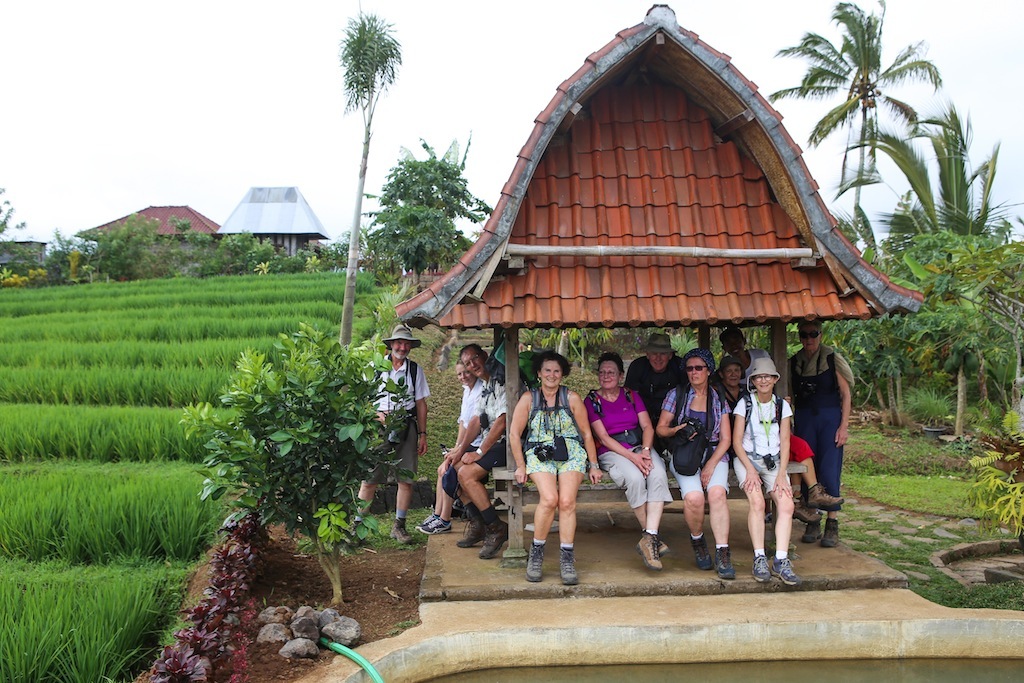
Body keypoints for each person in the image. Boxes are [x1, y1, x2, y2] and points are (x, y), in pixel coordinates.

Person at [510, 351, 601, 585]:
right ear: (539, 373)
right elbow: (514, 434)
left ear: (562, 374)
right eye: (547, 370)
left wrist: (594, 464)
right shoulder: (528, 399)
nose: (552, 375)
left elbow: (587, 433)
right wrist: (521, 465)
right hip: (539, 453)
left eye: (556, 371)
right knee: (550, 499)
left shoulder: (571, 398)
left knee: (567, 501)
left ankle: (567, 557)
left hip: (570, 451)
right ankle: (537, 553)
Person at [718, 355, 842, 524]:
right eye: (728, 371)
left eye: (736, 370)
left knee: (800, 446)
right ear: (721, 374)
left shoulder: (748, 391)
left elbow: (778, 425)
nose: (733, 374)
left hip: (768, 440)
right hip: (742, 442)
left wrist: (783, 404)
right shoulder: (720, 393)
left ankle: (813, 491)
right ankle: (797, 500)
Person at [584, 352, 672, 571]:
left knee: (658, 473)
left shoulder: (631, 395)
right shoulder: (592, 400)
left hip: (639, 447)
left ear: (620, 376)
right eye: (602, 372)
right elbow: (602, 437)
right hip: (611, 450)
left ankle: (649, 537)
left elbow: (647, 427)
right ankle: (652, 539)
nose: (606, 376)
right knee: (634, 477)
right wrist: (633, 457)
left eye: (611, 372)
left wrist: (645, 451)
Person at [656, 348, 735, 579]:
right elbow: (661, 428)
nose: (694, 372)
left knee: (717, 493)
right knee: (694, 498)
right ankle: (698, 539)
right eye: (689, 368)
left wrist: (710, 465)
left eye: (699, 368)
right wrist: (676, 430)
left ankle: (722, 551)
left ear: (709, 370)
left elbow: (727, 438)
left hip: (713, 452)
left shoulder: (718, 396)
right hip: (685, 453)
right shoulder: (677, 394)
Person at [358, 324, 430, 544]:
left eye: (406, 343)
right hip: (378, 428)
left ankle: (399, 526)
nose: (402, 347)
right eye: (398, 342)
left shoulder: (415, 370)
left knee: (406, 478)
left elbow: (421, 403)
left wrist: (423, 433)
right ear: (390, 345)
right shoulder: (374, 367)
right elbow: (362, 400)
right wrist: (376, 415)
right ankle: (358, 525)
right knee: (369, 478)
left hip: (406, 426)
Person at [731, 357, 800, 586]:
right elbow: (737, 442)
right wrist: (750, 470)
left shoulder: (782, 406)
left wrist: (782, 474)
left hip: (774, 463)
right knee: (758, 503)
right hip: (748, 459)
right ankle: (759, 556)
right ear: (753, 380)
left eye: (767, 376)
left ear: (775, 379)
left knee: (787, 504)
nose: (763, 380)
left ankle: (781, 559)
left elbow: (786, 442)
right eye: (759, 377)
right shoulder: (745, 404)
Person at [790, 320, 854, 548]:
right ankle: (813, 519)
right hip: (805, 419)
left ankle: (832, 523)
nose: (809, 339)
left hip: (829, 419)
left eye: (813, 334)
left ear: (820, 334)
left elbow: (846, 394)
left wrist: (843, 426)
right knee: (807, 467)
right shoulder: (794, 362)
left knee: (829, 467)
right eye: (804, 335)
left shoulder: (831, 358)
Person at [443, 344, 510, 559]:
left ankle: (496, 528)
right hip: (492, 443)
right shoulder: (485, 385)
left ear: (484, 356)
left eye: (475, 359)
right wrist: (459, 451)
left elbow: (502, 422)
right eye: (467, 363)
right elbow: (475, 421)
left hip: (508, 444)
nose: (472, 365)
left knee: (466, 474)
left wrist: (479, 452)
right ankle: (479, 522)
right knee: (453, 470)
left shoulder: (503, 382)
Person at [417, 360, 482, 535]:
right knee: (442, 468)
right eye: (459, 374)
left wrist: (460, 449)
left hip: (477, 444)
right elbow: (463, 422)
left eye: (466, 372)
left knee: (447, 470)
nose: (463, 377)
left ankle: (445, 519)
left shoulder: (481, 390)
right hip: (466, 444)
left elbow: (475, 426)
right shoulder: (467, 391)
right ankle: (438, 514)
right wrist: (456, 447)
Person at [624, 332, 684, 437]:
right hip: (642, 421)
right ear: (647, 354)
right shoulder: (637, 367)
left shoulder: (679, 367)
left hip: (673, 421)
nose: (658, 358)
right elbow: (629, 398)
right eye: (654, 353)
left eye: (663, 354)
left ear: (670, 355)